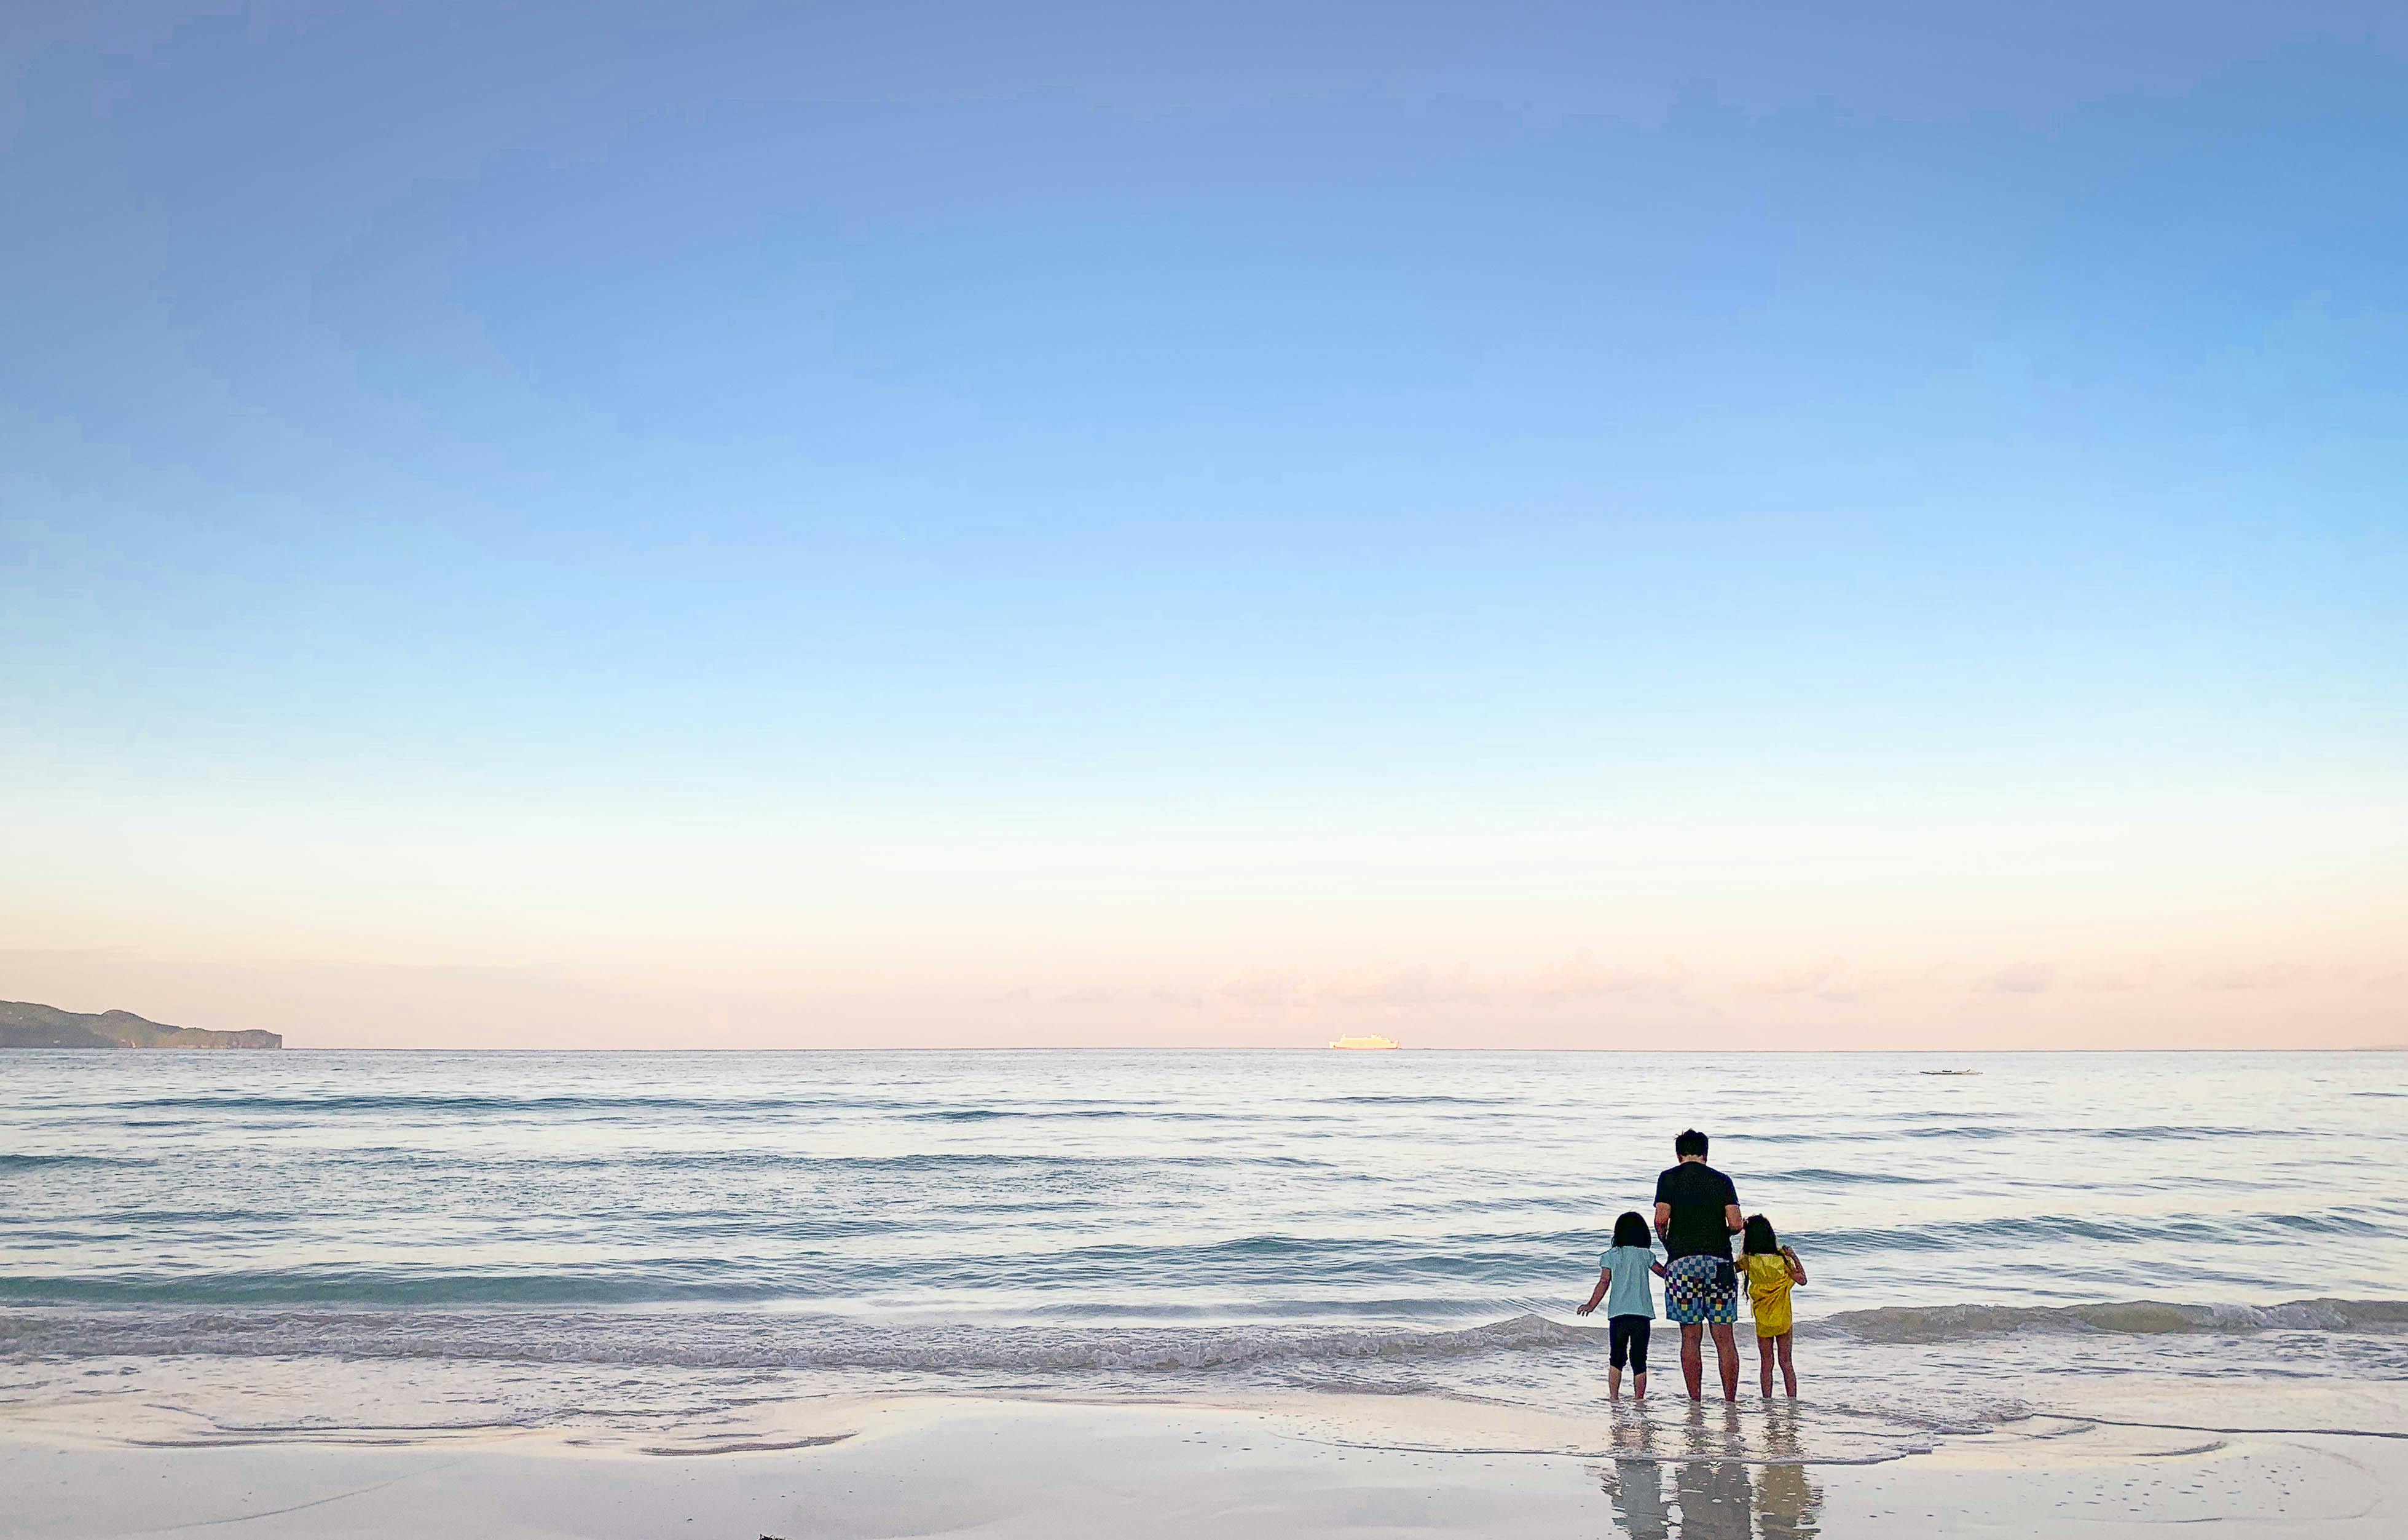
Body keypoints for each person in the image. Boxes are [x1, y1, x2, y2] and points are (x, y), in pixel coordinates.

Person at [1653, 1128, 1744, 1401]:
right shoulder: (1722, 1181)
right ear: (1705, 1153)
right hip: (1720, 1263)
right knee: (1724, 1338)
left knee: (1691, 1338)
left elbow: (1660, 1219)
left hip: (1683, 1264)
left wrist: (1668, 1242)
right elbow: (1737, 1224)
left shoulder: (1668, 1178)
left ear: (1679, 1154)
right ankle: (1730, 1402)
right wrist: (1720, 1235)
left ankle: (1696, 1402)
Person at [1576, 1210, 1668, 1399]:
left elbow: (1604, 1283)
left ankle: (1614, 1398)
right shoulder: (1646, 1255)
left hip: (1618, 1316)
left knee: (1616, 1358)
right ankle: (1639, 1399)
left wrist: (1591, 1305)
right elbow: (1664, 1273)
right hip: (1642, 1315)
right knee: (1639, 1359)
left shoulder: (1611, 1256)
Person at [1739, 1214, 1807, 1397]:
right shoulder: (1782, 1260)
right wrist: (1793, 1255)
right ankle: (1792, 1401)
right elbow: (1802, 1280)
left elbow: (1729, 1268)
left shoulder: (1749, 1260)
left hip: (1764, 1320)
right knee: (1786, 1362)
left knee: (1766, 1363)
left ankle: (1767, 1402)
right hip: (1783, 1317)